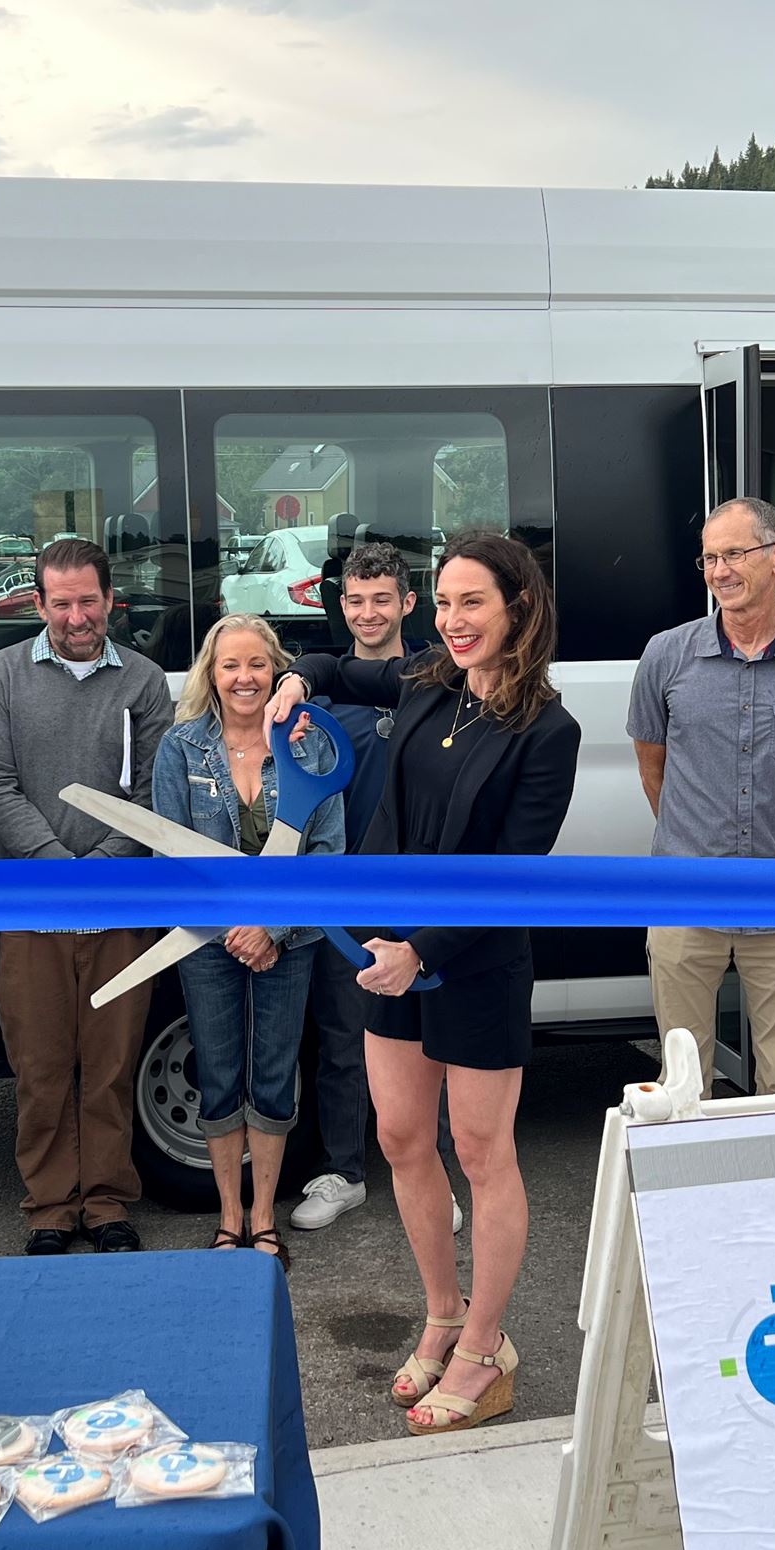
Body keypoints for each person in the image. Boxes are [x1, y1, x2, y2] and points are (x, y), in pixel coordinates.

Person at [273, 529, 580, 1435]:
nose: (451, 621)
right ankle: (442, 1313)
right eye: (442, 604)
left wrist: (424, 952)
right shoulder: (424, 682)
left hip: (472, 962)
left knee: (484, 1156)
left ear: (518, 607)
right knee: (405, 1140)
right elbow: (332, 665)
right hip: (386, 951)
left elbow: (513, 872)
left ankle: (486, 1348)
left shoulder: (549, 730)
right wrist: (295, 681)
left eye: (470, 602)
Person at [0, 536, 176, 1255]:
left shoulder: (145, 682)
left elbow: (155, 792)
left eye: (89, 600)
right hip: (32, 906)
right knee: (43, 1067)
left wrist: (105, 871)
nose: (76, 615)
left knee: (113, 1066)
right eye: (61, 602)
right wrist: (60, 868)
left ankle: (109, 1202)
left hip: (120, 904)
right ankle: (50, 1208)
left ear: (110, 600)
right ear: (40, 603)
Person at [629, 497, 775, 1093]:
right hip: (684, 897)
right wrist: (699, 835)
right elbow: (654, 770)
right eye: (709, 558)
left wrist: (772, 830)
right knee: (681, 1076)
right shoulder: (665, 655)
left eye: (734, 553)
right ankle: (689, 1186)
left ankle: (771, 1186)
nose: (719, 571)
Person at [152, 614, 344, 1260]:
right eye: (230, 666)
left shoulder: (308, 746)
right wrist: (234, 927)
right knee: (219, 1073)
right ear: (211, 673)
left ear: (276, 670)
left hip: (290, 940)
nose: (244, 678)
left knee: (272, 1075)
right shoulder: (181, 749)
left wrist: (273, 927)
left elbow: (326, 852)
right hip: (208, 941)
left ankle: (264, 1217)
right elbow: (169, 858)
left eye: (256, 665)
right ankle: (228, 1218)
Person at [290, 540, 429, 1233]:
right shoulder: (317, 687)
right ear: (338, 606)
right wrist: (298, 676)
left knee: (426, 1038)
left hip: (419, 886)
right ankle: (345, 1172)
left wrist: (306, 670)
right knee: (343, 1037)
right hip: (343, 886)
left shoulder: (441, 678)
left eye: (382, 599)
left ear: (407, 603)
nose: (368, 612)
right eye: (354, 600)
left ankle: (432, 1178)